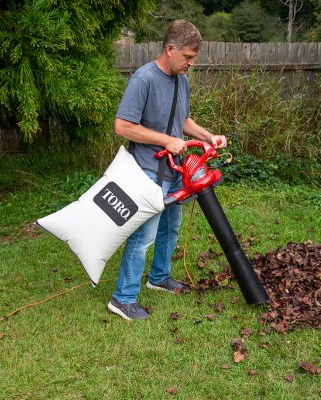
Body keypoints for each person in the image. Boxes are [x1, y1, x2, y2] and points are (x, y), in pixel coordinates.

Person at [108, 20, 227, 320]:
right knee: (143, 235)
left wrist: (207, 136)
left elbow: (183, 121)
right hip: (147, 169)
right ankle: (122, 299)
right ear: (170, 49)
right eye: (187, 56)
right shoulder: (143, 79)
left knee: (171, 226)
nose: (191, 63)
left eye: (194, 58)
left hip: (175, 171)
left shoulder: (181, 80)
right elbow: (122, 126)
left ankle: (159, 276)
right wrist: (166, 141)